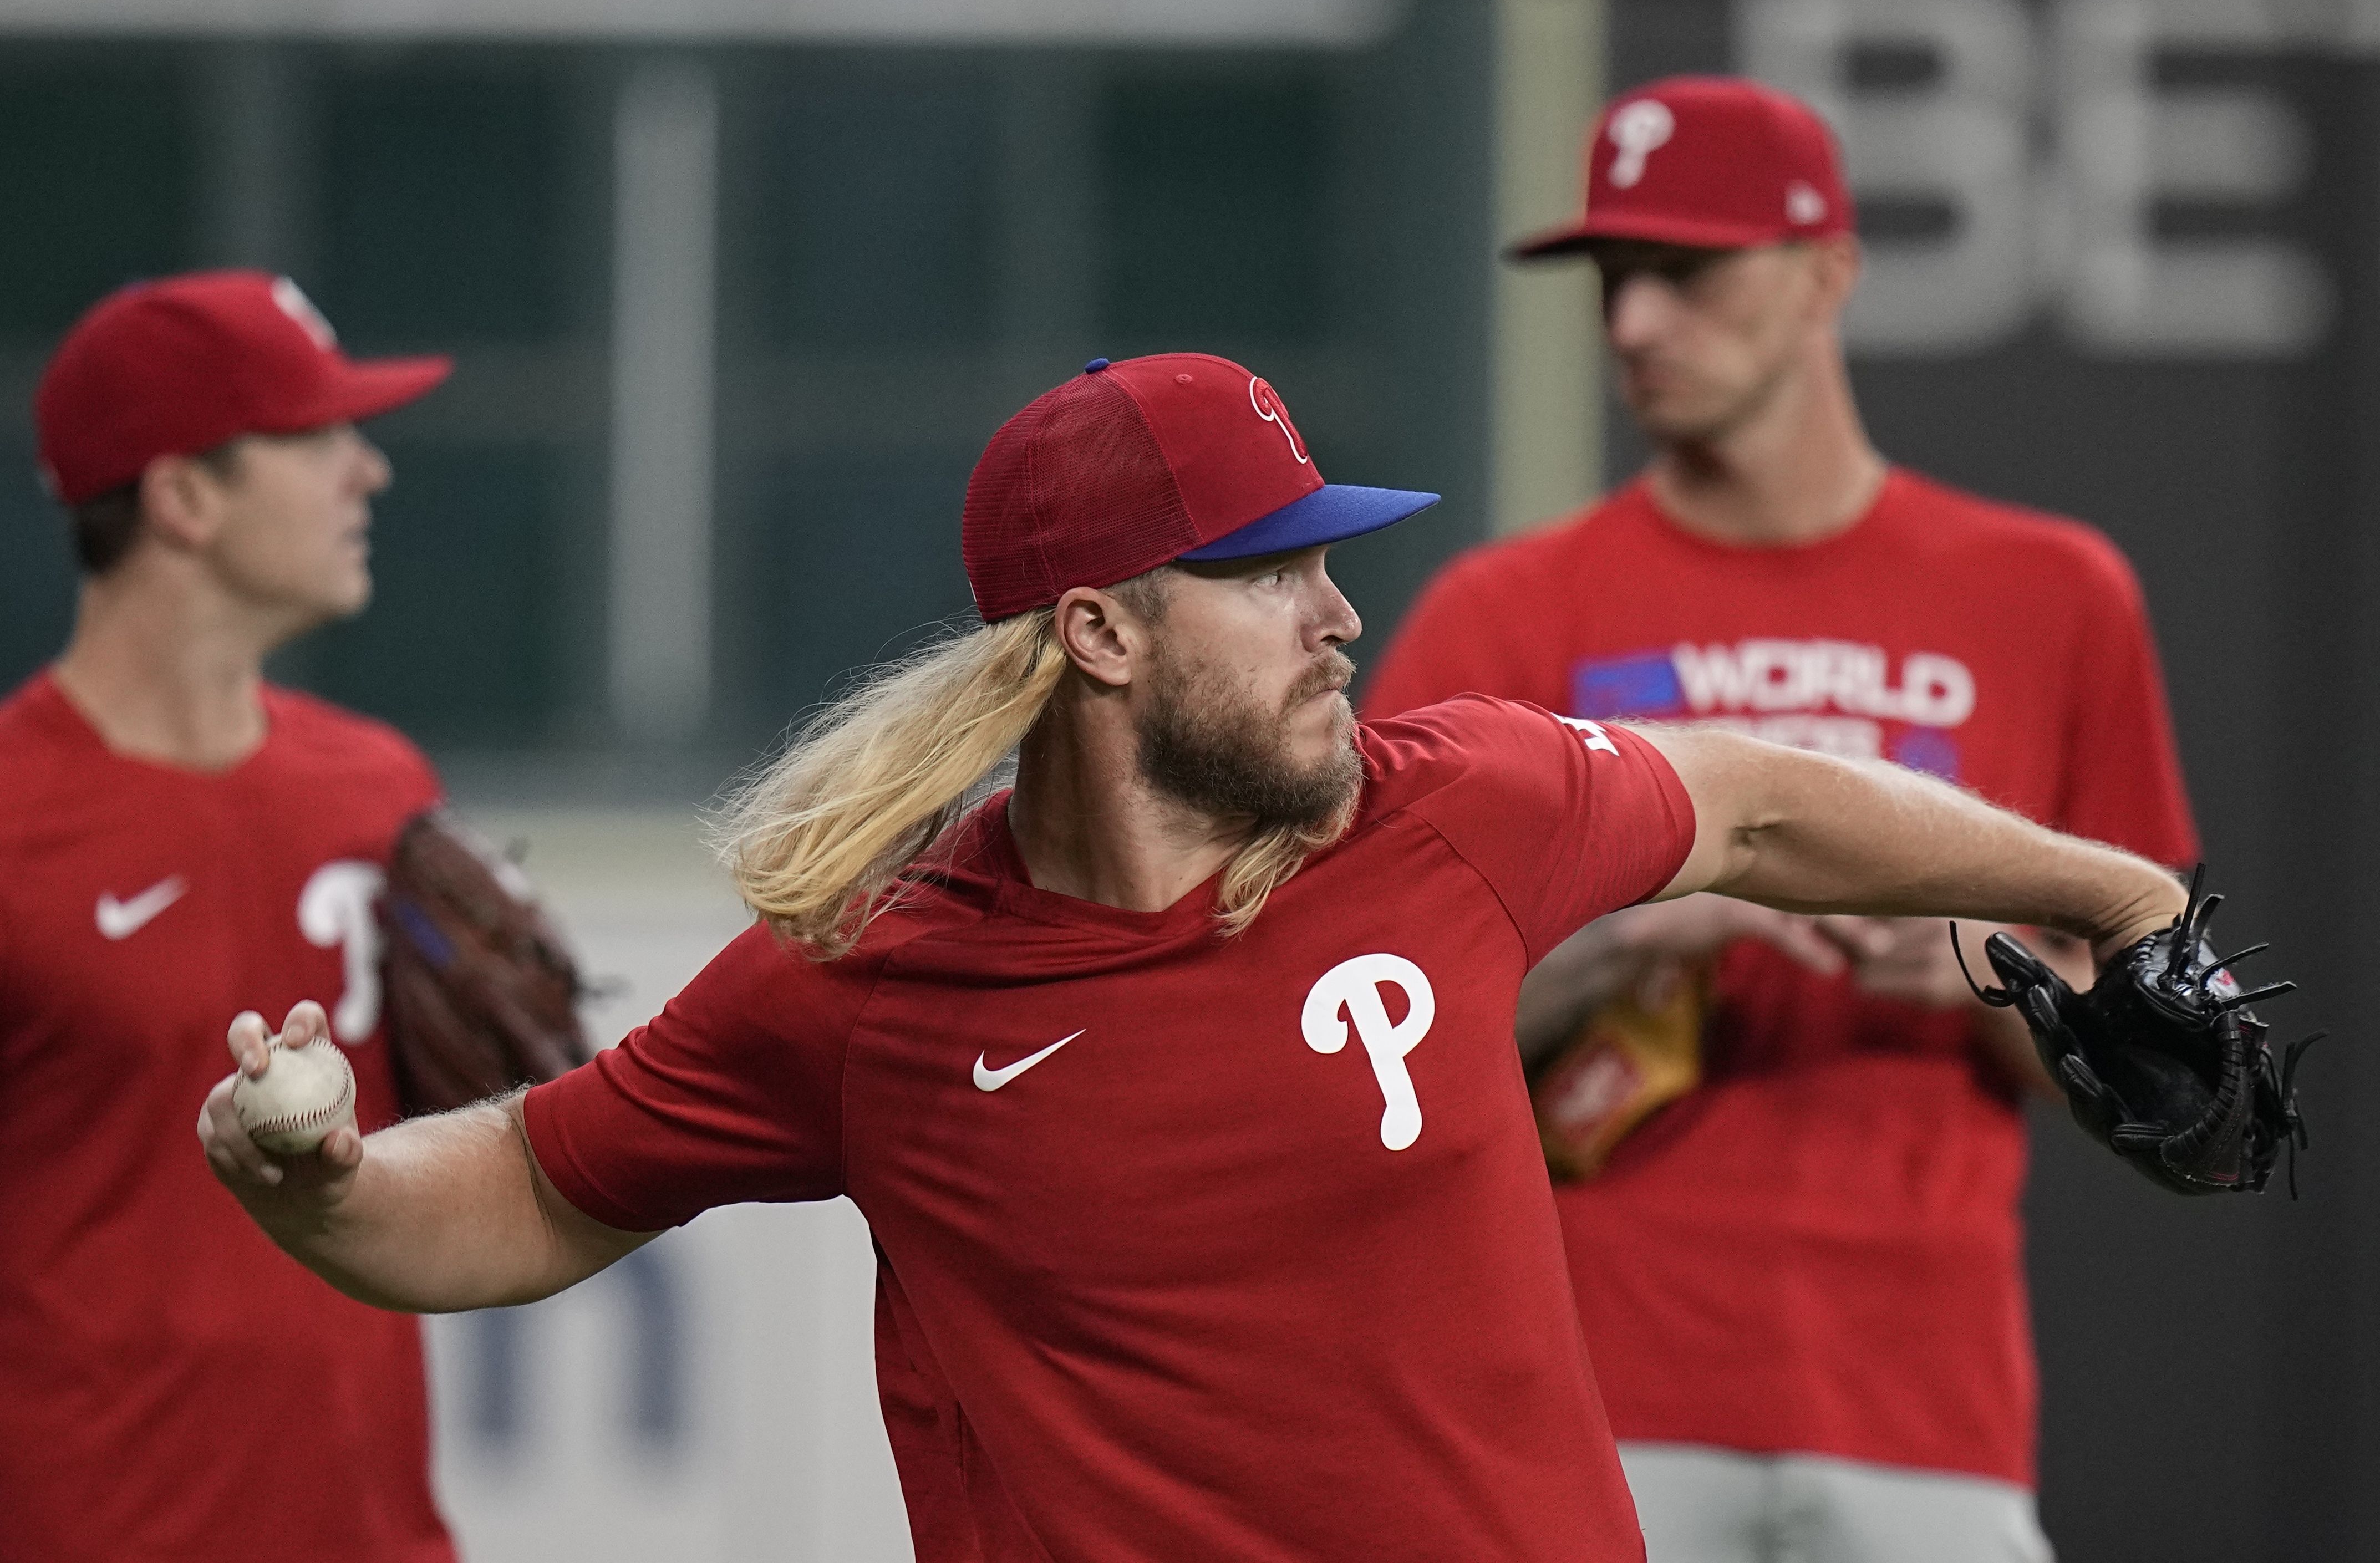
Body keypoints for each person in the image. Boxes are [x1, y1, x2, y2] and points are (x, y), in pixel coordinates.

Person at [200, 352, 2193, 1563]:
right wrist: (325, 1180)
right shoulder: (884, 977)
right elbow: (536, 1186)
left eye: (1331, 558)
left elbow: (1752, 802)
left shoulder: (1454, 810)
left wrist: (2110, 897)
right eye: (1270, 571)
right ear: (1099, 636)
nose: (1339, 615)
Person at [1364, 77, 2197, 1562]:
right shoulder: (1505, 612)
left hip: (1922, 1405)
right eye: (1614, 281)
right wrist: (1639, 929)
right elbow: (1365, 1025)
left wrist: (1971, 959)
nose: (1630, 325)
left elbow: (2152, 1053)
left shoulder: (2050, 595)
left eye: (1684, 272)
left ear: (1826, 270)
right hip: (1581, 1393)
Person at [1, 271, 457, 1563]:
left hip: (372, 1536)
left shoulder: (383, 788)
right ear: (184, 498)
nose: (365, 472)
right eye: (316, 438)